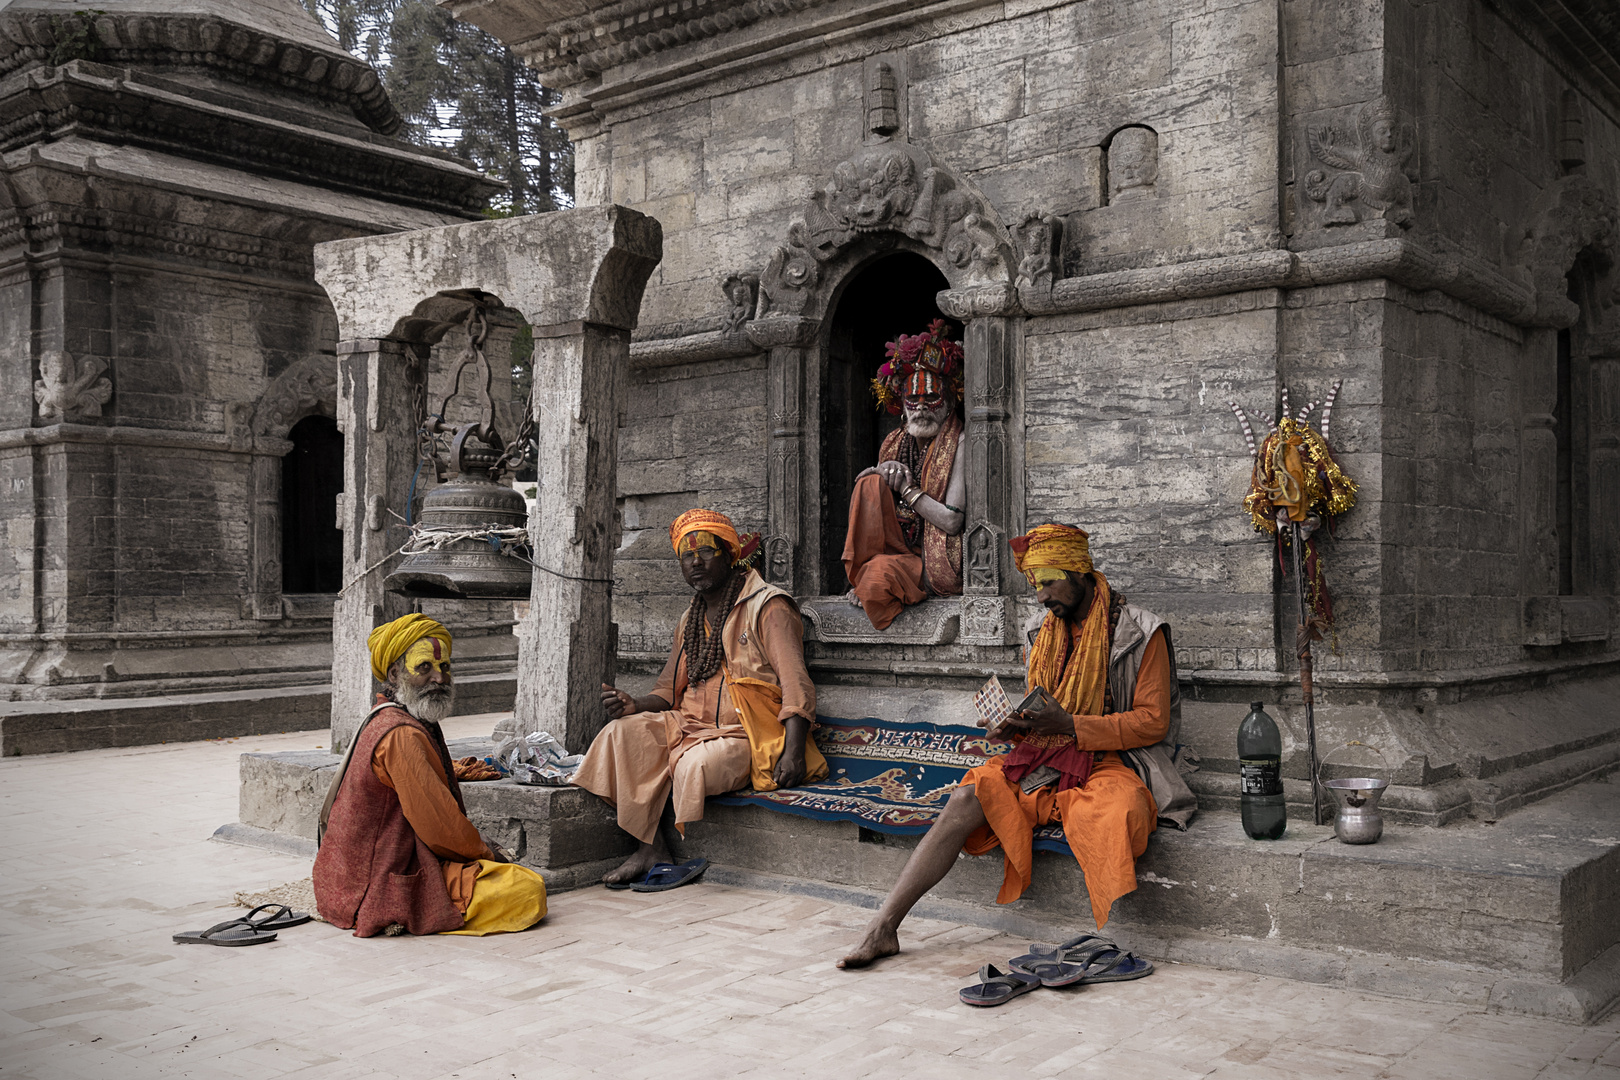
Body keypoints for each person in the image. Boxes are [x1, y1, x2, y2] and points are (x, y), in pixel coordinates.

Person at [838, 523, 1196, 968]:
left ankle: (1107, 936)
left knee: (1120, 813)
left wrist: (1070, 724)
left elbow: (1151, 722)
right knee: (965, 798)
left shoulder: (1141, 632)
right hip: (1042, 756)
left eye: (1050, 582)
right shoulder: (1039, 630)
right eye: (1035, 586)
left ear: (1080, 571)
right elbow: (1041, 708)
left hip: (1112, 759)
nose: (1042, 596)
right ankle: (883, 926)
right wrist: (1015, 728)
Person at [574, 508, 828, 886]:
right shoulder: (689, 618)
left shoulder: (768, 605)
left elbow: (796, 684)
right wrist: (635, 705)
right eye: (687, 556)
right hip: (688, 724)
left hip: (745, 734)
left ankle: (653, 848)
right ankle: (652, 848)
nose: (696, 562)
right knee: (617, 736)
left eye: (706, 551)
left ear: (729, 554)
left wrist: (792, 752)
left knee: (692, 766)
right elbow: (667, 690)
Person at [313, 614, 547, 937]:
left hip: (348, 880)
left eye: (445, 668)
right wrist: (488, 852)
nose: (439, 677)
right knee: (526, 889)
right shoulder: (401, 735)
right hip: (375, 886)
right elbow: (440, 829)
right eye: (424, 668)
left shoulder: (394, 717)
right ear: (395, 674)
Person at [842, 319, 967, 630]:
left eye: (931, 399)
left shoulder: (961, 441)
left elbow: (952, 520)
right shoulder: (895, 442)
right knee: (867, 484)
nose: (922, 408)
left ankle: (875, 581)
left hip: (936, 558)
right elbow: (882, 512)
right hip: (900, 550)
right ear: (902, 405)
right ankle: (867, 574)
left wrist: (909, 490)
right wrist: (878, 477)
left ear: (948, 402)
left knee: (875, 584)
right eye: (914, 400)